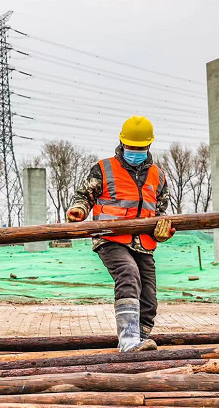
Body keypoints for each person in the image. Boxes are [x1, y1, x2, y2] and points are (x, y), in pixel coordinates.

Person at [66, 116, 173, 352]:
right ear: (122, 143)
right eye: (131, 147)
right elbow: (84, 196)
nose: (134, 151)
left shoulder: (159, 176)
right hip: (110, 238)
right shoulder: (104, 169)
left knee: (149, 299)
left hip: (143, 244)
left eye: (139, 148)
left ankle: (140, 339)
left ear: (148, 146)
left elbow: (159, 212)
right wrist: (79, 210)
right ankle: (128, 341)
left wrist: (161, 233)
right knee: (128, 273)